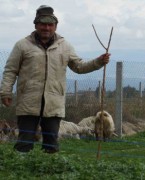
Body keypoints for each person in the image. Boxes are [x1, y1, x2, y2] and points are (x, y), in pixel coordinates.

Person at [0, 5, 110, 153]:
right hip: (28, 101)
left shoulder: (64, 46)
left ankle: (50, 170)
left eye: (50, 24)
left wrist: (98, 62)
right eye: (43, 24)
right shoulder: (22, 45)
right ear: (36, 25)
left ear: (55, 26)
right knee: (24, 141)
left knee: (51, 142)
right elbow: (10, 70)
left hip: (54, 102)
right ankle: (22, 170)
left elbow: (79, 66)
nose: (46, 28)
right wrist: (5, 92)